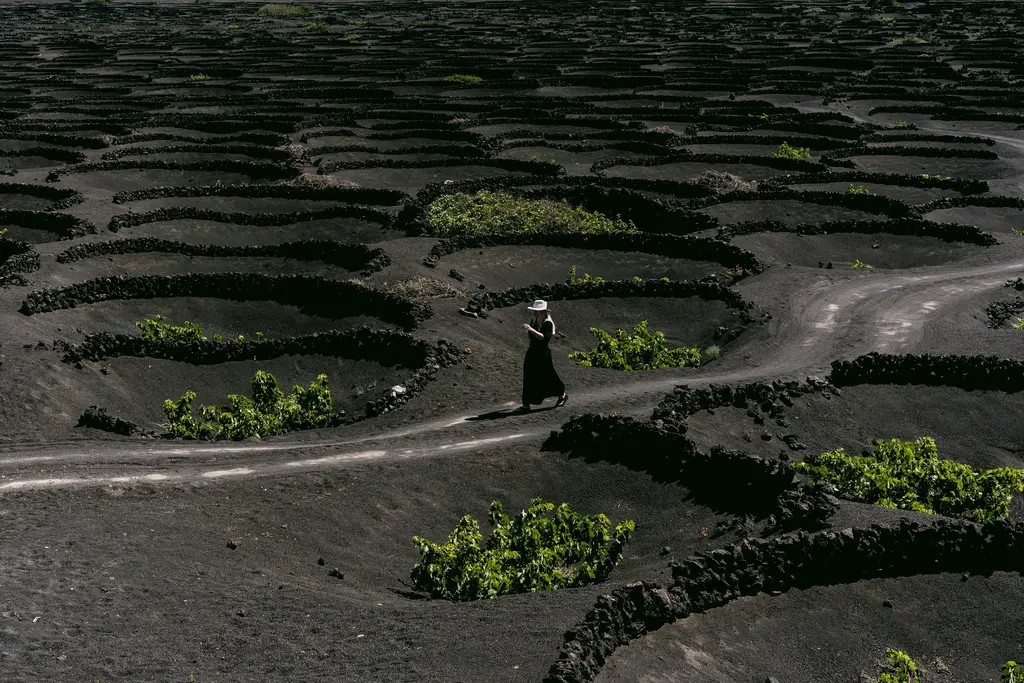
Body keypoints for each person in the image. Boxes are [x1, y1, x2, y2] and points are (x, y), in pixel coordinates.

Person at [517, 299, 568, 413]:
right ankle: (526, 404)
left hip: (542, 353)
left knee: (548, 375)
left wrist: (531, 330)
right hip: (533, 351)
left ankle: (561, 394)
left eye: (537, 310)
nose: (535, 312)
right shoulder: (534, 320)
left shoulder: (547, 323)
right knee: (529, 375)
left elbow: (545, 338)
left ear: (542, 311)